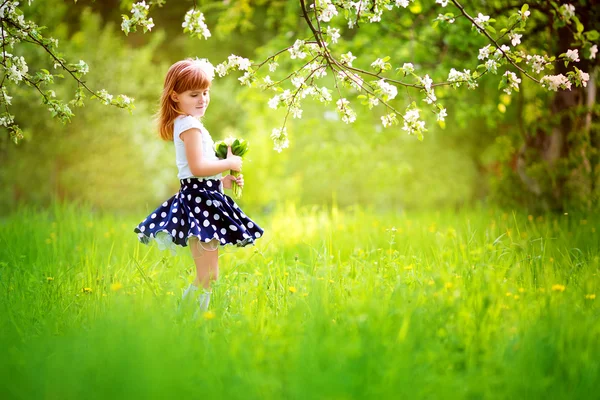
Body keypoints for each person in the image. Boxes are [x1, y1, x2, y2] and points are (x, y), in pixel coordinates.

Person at [133, 58, 264, 315]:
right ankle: (186, 320)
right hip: (200, 203)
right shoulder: (189, 125)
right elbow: (197, 168)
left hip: (203, 197)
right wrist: (228, 162)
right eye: (194, 94)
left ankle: (192, 320)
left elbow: (198, 174)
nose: (202, 99)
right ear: (175, 97)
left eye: (205, 93)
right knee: (207, 275)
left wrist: (222, 181)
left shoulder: (189, 123)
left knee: (210, 275)